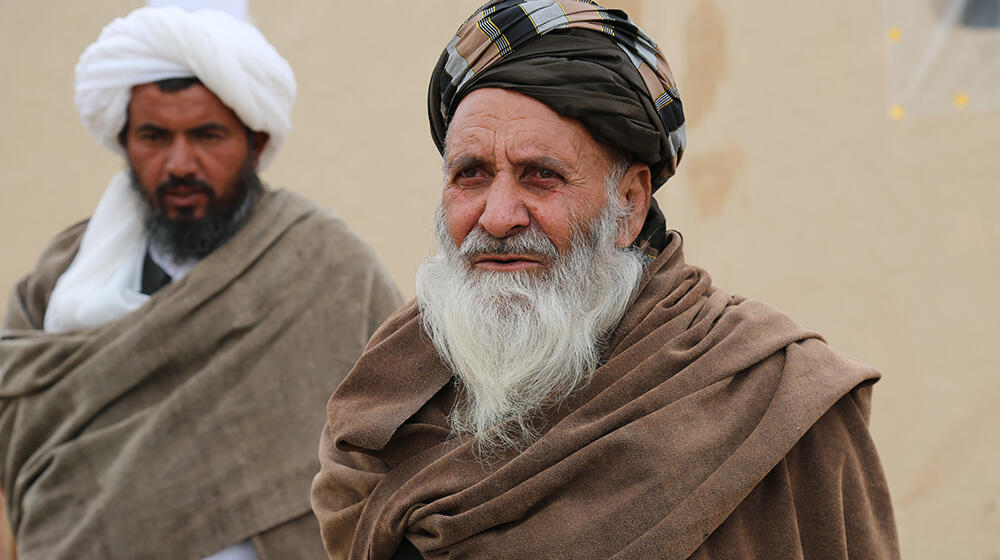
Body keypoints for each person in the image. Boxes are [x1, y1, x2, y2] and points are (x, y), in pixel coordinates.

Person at [311, 1, 900, 559]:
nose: (496, 215)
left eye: (541, 176)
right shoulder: (391, 388)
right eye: (471, 174)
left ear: (629, 203)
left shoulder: (771, 390)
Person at [0, 6, 402, 560]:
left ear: (255, 142)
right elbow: (17, 430)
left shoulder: (330, 265)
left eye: (207, 135)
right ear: (124, 141)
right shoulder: (60, 277)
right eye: (154, 136)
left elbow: (402, 443)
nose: (180, 163)